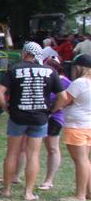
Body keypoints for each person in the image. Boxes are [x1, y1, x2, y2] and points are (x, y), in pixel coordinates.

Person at [0, 42, 63, 200]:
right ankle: (28, 193)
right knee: (33, 155)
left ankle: (7, 190)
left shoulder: (15, 69)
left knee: (12, 153)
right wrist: (51, 110)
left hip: (17, 116)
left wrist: (6, 108)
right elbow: (63, 97)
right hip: (40, 118)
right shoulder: (50, 71)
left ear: (25, 53)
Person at [51, 53, 91, 201]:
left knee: (80, 161)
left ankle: (79, 195)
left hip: (76, 126)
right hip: (88, 124)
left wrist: (52, 109)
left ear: (79, 68)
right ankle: (88, 191)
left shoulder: (80, 83)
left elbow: (65, 100)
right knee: (85, 160)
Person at [39, 57, 71, 191]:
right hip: (39, 116)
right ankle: (15, 175)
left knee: (52, 147)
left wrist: (53, 110)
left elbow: (66, 100)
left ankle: (49, 180)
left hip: (54, 118)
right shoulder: (45, 79)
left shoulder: (66, 82)